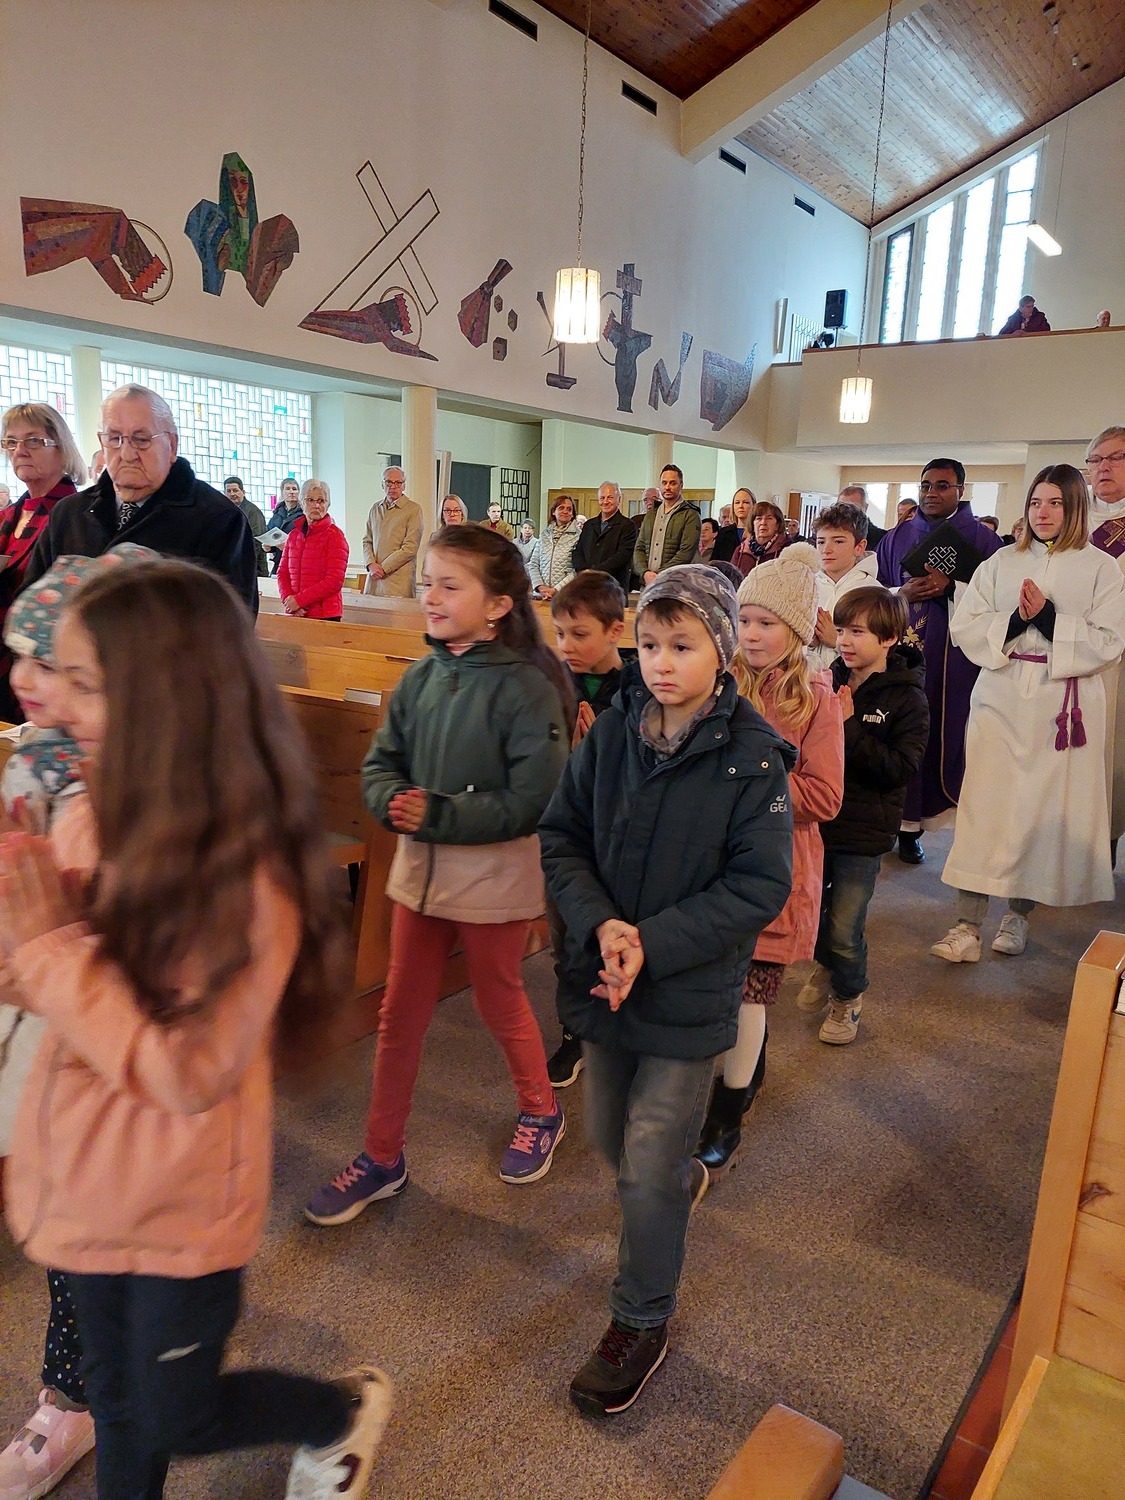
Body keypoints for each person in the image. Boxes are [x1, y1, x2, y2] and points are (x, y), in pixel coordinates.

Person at [0, 559, 392, 1498]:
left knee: (178, 1413)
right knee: (114, 1397)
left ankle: (337, 1414)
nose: (54, 702)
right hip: (92, 1178)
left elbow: (185, 1066)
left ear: (170, 702)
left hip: (177, 1199)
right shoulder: (93, 815)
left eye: (85, 682)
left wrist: (47, 948)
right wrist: (24, 935)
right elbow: (67, 979)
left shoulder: (242, 873)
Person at [539, 564, 794, 1415]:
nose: (660, 662)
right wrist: (604, 926)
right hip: (606, 979)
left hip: (685, 992)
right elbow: (563, 837)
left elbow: (759, 886)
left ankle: (639, 1319)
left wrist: (652, 942)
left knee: (646, 1162)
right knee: (614, 1142)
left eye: (681, 646)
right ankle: (673, 1181)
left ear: (720, 653)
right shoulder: (614, 731)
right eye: (648, 644)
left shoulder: (751, 756)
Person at [305, 526, 572, 1225]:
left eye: (449, 585)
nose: (430, 595)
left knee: (498, 1000)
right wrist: (386, 798)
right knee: (398, 1016)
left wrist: (440, 813)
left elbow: (534, 798)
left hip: (492, 876)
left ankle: (540, 1109)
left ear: (497, 605)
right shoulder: (421, 677)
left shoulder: (526, 687)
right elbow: (380, 762)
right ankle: (382, 1156)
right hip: (420, 875)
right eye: (426, 582)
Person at [0, 548, 153, 1500]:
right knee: (64, 1223)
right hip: (45, 1023)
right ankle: (88, 1385)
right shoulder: (37, 754)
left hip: (103, 1044)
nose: (26, 676)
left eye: (51, 663)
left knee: (91, 1237)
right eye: (20, 654)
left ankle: (79, 1398)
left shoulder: (133, 788)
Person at [932, 466, 1125, 962]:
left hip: (1061, 701)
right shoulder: (1001, 561)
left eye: (1056, 502)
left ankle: (1018, 915)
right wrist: (1018, 620)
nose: (1043, 512)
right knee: (986, 805)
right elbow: (966, 624)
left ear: (1075, 506)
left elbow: (1110, 639)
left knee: (1039, 810)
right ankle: (966, 925)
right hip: (1001, 692)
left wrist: (1048, 618)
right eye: (1036, 502)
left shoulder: (1102, 568)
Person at [693, 544, 843, 1176]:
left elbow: (825, 796)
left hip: (776, 870)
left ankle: (726, 1116)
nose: (752, 634)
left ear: (797, 632)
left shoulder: (817, 701)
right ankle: (746, 1069)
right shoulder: (717, 686)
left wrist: (753, 777)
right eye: (745, 620)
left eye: (767, 623)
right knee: (718, 989)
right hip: (711, 865)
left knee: (748, 996)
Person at [797, 589, 929, 1043]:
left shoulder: (908, 698)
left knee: (843, 927)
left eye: (857, 632)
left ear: (889, 638)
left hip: (864, 830)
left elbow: (900, 769)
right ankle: (828, 964)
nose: (844, 641)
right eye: (841, 630)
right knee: (808, 914)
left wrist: (849, 726)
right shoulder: (827, 679)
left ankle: (848, 997)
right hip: (817, 822)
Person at [21, 384, 258, 612]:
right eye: (114, 439)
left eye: (141, 440)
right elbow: (31, 604)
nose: (127, 454)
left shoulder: (219, 519)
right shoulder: (68, 513)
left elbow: (231, 624)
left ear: (172, 445)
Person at [875, 459, 1003, 864]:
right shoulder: (897, 536)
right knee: (891, 732)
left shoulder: (984, 542)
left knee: (937, 735)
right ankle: (893, 824)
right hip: (898, 654)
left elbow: (998, 603)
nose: (932, 492)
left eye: (943, 485)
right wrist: (902, 593)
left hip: (954, 661)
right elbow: (875, 591)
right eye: (926, 485)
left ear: (961, 490)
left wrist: (952, 588)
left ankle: (917, 828)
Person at [544, 570, 630, 1089]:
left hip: (617, 841)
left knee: (611, 937)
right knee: (566, 942)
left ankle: (617, 1028)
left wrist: (602, 752)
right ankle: (574, 1030)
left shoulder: (638, 688)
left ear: (615, 630)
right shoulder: (552, 683)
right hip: (567, 837)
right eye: (559, 633)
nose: (566, 646)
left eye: (579, 634)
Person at [0, 404, 87, 722]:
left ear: (61, 447)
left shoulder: (78, 516)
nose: (20, 451)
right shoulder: (7, 516)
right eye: (11, 442)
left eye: (33, 441)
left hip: (46, 670)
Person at [1085, 426, 1125, 841]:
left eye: (1115, 458)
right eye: (1096, 460)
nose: (1104, 467)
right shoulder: (1070, 519)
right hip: (1074, 655)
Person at [808, 501, 881, 671]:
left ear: (859, 547)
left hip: (853, 682)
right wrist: (808, 640)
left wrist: (836, 640)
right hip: (807, 680)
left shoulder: (873, 592)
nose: (826, 549)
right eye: (821, 542)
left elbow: (881, 651)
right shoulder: (805, 585)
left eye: (838, 541)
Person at [278, 479, 350, 621]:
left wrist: (299, 601)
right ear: (302, 503)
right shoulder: (294, 535)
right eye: (310, 500)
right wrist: (289, 601)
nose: (316, 505)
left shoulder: (335, 536)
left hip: (325, 614)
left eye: (321, 501)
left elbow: (334, 580)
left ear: (328, 504)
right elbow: (282, 573)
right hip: (296, 612)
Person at [633, 465, 701, 585]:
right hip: (647, 583)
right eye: (664, 483)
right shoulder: (651, 515)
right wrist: (645, 572)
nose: (667, 487)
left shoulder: (691, 514)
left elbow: (685, 553)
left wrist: (659, 575)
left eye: (672, 483)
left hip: (676, 584)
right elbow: (639, 548)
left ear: (681, 485)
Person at [362, 466, 422, 598]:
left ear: (404, 486)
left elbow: (410, 547)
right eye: (388, 482)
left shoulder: (413, 509)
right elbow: (367, 540)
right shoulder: (375, 508)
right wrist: (370, 564)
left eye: (398, 483)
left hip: (398, 582)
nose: (393, 486)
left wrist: (383, 568)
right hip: (374, 580)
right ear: (382, 484)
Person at [571, 481, 637, 592]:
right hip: (587, 586)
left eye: (610, 497)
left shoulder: (628, 526)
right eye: (602, 498)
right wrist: (583, 571)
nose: (605, 502)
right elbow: (578, 551)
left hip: (613, 588)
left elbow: (622, 556)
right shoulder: (588, 525)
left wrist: (594, 573)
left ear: (619, 499)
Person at [528, 494, 581, 599]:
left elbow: (577, 570)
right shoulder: (544, 534)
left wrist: (555, 589)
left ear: (573, 514)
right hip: (542, 595)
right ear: (553, 511)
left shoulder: (579, 536)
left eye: (569, 509)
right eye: (561, 508)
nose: (565, 511)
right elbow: (534, 563)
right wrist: (540, 586)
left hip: (566, 595)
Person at [223, 475, 268, 577]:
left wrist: (242, 563)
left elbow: (256, 540)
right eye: (229, 491)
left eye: (235, 490)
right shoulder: (226, 511)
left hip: (253, 569)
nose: (232, 494)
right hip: (233, 567)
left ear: (243, 492)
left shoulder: (253, 512)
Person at [731, 500, 789, 577]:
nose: (763, 522)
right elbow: (731, 579)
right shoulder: (740, 550)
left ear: (777, 525)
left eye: (769, 518)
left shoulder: (787, 550)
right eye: (758, 518)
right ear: (752, 524)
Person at [265, 476, 304, 574]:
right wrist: (268, 547)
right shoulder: (277, 513)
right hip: (279, 561)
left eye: (294, 489)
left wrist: (289, 545)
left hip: (297, 562)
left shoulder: (304, 514)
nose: (291, 492)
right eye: (288, 489)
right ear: (282, 493)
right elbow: (270, 533)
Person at [711, 488, 754, 564]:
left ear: (753, 505)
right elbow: (715, 561)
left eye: (746, 502)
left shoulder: (758, 532)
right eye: (737, 502)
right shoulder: (724, 533)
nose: (741, 506)